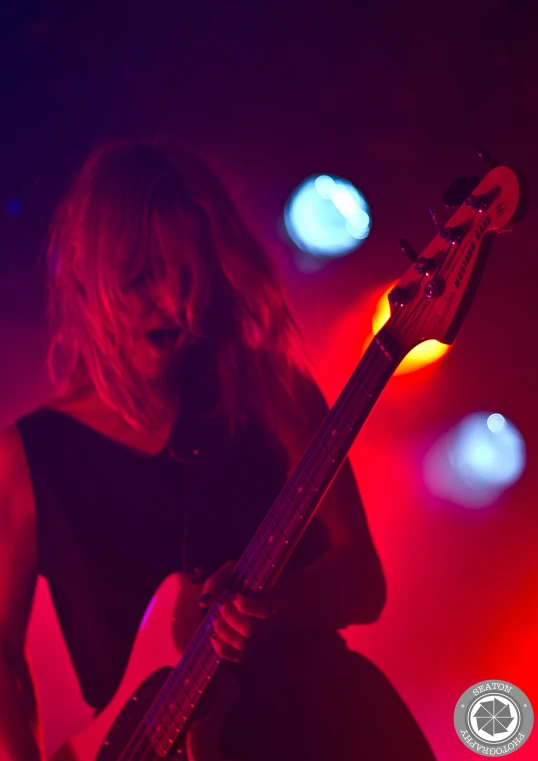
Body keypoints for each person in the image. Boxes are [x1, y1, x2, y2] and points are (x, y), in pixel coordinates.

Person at [0, 139, 436, 761]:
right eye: (144, 276)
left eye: (190, 274)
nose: (175, 304)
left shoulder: (271, 393)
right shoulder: (26, 456)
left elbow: (364, 582)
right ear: (87, 269)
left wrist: (277, 606)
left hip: (322, 732)